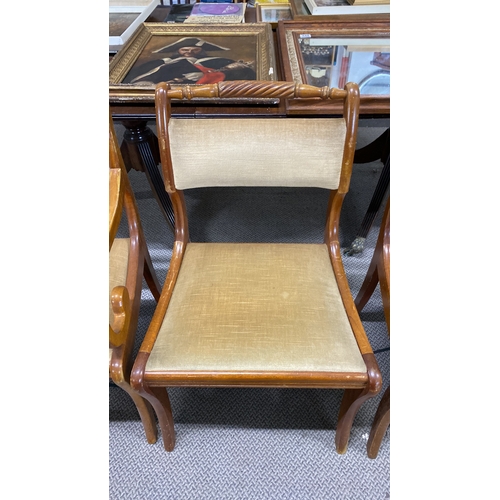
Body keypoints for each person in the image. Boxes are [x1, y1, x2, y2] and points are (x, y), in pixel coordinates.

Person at [123, 37, 256, 85]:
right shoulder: (158, 63)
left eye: (194, 50)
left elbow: (245, 74)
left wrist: (207, 75)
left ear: (201, 51)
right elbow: (133, 77)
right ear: (178, 51)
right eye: (184, 50)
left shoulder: (218, 61)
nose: (189, 53)